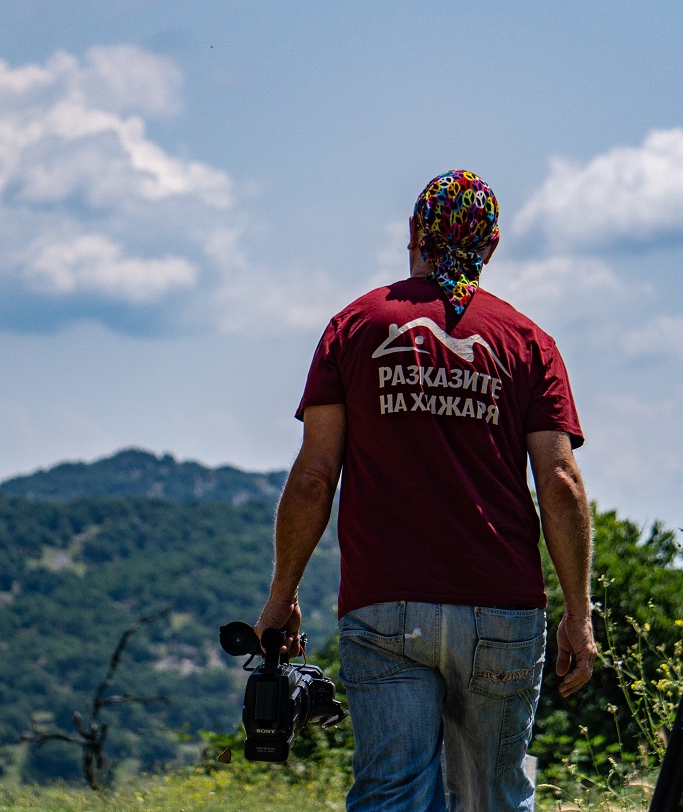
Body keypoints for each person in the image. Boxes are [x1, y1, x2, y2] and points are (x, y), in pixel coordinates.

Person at [255, 169, 596, 811]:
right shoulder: (528, 342)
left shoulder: (353, 328)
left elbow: (312, 478)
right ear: (491, 246)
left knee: (391, 794)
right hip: (500, 605)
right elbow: (558, 482)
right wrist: (578, 613)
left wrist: (282, 597)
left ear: (413, 232)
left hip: (384, 606)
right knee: (495, 797)